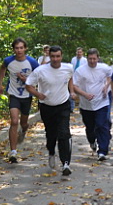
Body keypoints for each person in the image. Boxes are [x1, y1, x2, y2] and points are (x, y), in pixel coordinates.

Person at [26, 46, 76, 176]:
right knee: (51, 134)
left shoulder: (68, 67)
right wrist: (38, 94)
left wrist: (72, 91)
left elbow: (70, 78)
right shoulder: (40, 70)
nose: (55, 59)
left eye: (58, 56)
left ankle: (66, 163)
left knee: (64, 133)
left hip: (63, 104)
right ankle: (51, 152)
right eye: (53, 57)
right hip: (46, 106)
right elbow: (28, 85)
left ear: (61, 56)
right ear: (49, 57)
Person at [0, 37, 39, 163]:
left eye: (21, 48)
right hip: (14, 94)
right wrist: (0, 84)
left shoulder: (32, 62)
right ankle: (13, 152)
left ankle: (24, 129)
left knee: (23, 123)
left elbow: (39, 76)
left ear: (25, 48)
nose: (19, 50)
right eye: (17, 48)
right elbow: (2, 68)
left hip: (27, 95)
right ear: (13, 49)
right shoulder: (8, 60)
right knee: (14, 121)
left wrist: (27, 81)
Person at [73, 48, 113, 161]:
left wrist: (106, 86)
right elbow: (74, 86)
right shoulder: (80, 71)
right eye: (90, 59)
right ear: (87, 59)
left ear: (98, 58)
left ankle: (102, 151)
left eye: (94, 59)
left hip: (102, 102)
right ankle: (92, 141)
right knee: (90, 127)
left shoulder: (104, 68)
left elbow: (111, 76)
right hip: (86, 104)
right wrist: (84, 94)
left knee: (102, 125)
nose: (92, 61)